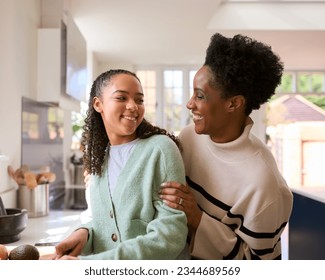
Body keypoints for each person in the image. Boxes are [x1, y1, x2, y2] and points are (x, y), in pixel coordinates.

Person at [159, 33, 293, 260]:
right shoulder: (189, 136)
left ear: (234, 103)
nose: (190, 103)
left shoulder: (264, 183)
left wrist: (197, 218)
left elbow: (258, 263)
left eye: (200, 95)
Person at [51, 69, 188, 260]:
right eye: (122, 98)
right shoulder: (98, 158)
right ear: (98, 104)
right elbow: (107, 224)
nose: (133, 106)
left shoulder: (160, 149)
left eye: (139, 100)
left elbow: (170, 236)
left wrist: (89, 265)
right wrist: (85, 234)